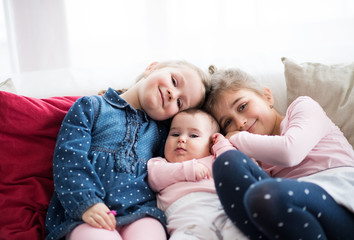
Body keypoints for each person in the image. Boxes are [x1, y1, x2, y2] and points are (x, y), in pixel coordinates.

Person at [45, 60, 211, 240]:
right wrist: (85, 202)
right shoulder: (91, 106)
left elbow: (185, 157)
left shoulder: (164, 134)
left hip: (141, 212)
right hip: (85, 213)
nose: (173, 94)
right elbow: (69, 158)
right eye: (174, 81)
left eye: (179, 103)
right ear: (152, 67)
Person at [203, 66, 354, 240]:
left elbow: (290, 152)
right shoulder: (252, 157)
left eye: (242, 106)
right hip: (295, 216)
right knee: (227, 163)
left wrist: (237, 138)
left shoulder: (302, 107)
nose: (240, 122)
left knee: (265, 195)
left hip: (341, 198)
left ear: (267, 96)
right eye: (228, 122)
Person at [147, 109, 248, 240]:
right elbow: (155, 179)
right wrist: (187, 170)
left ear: (211, 144)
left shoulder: (215, 160)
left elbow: (236, 166)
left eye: (193, 136)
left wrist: (222, 145)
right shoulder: (160, 164)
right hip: (187, 221)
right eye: (175, 134)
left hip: (223, 212)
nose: (181, 139)